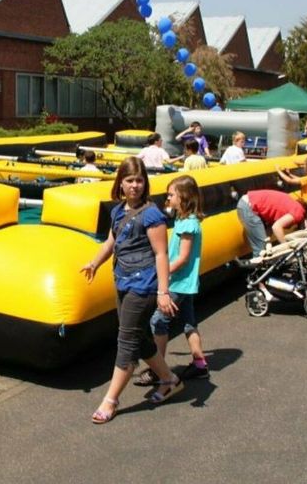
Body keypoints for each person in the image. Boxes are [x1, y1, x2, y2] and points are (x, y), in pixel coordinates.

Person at [81, 158, 184, 424]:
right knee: (140, 339)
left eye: (139, 180)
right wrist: (94, 262)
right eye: (129, 180)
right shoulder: (117, 211)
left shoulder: (152, 215)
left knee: (126, 341)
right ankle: (169, 379)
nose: (135, 186)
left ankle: (110, 400)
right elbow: (111, 242)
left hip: (145, 286)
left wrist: (163, 292)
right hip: (123, 282)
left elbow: (161, 254)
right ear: (120, 183)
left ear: (145, 183)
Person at [139, 175, 210, 383]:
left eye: (171, 194)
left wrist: (163, 272)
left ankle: (158, 369)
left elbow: (183, 257)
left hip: (179, 282)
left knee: (158, 321)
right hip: (186, 283)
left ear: (184, 197)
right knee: (189, 323)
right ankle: (200, 364)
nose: (167, 198)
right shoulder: (183, 219)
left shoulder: (188, 224)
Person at [235, 188, 306, 260]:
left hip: (248, 204)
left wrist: (268, 241)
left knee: (264, 245)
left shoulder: (292, 206)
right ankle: (260, 269)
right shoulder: (299, 212)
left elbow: (270, 228)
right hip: (249, 206)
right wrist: (287, 248)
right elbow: (276, 227)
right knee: (261, 251)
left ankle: (263, 266)